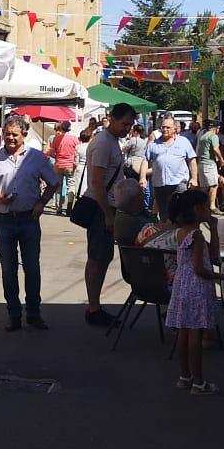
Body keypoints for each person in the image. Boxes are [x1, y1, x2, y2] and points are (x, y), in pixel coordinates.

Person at [0, 118, 59, 331]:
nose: (10, 138)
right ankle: (14, 314)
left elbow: (54, 182)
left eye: (15, 134)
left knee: (32, 268)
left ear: (24, 135)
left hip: (29, 220)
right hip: (4, 220)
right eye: (7, 133)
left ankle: (33, 313)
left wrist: (41, 203)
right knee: (8, 269)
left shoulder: (37, 158)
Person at [82, 103, 137, 328]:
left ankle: (94, 306)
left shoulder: (112, 141)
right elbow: (97, 183)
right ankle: (93, 308)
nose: (127, 128)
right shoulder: (104, 143)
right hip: (100, 208)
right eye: (124, 124)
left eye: (130, 125)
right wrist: (107, 215)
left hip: (107, 207)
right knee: (97, 257)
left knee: (103, 257)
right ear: (112, 119)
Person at [165, 189, 222, 394]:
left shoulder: (182, 232)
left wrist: (213, 229)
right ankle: (199, 381)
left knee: (184, 331)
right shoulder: (196, 235)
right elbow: (201, 267)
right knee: (196, 333)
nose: (209, 210)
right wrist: (222, 277)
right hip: (196, 286)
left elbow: (212, 254)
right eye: (206, 207)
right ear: (198, 209)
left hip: (182, 285)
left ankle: (185, 376)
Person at [144, 116, 198, 220]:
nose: (165, 129)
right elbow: (145, 160)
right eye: (163, 127)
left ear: (174, 129)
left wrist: (194, 178)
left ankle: (180, 229)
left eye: (168, 127)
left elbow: (192, 160)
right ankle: (167, 229)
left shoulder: (184, 142)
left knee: (181, 213)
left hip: (179, 183)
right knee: (164, 214)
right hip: (160, 184)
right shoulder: (154, 144)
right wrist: (142, 177)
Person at [48, 121, 79, 214]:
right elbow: (77, 152)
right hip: (70, 165)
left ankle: (59, 208)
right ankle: (69, 206)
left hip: (59, 164)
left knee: (59, 187)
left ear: (61, 128)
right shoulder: (74, 139)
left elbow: (52, 152)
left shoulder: (56, 138)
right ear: (69, 128)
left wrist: (57, 156)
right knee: (71, 185)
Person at [196, 118, 224, 214]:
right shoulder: (213, 136)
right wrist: (221, 159)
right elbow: (216, 149)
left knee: (204, 187)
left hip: (201, 163)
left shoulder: (203, 136)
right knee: (214, 185)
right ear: (216, 128)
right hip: (209, 163)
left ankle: (202, 207)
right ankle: (212, 206)